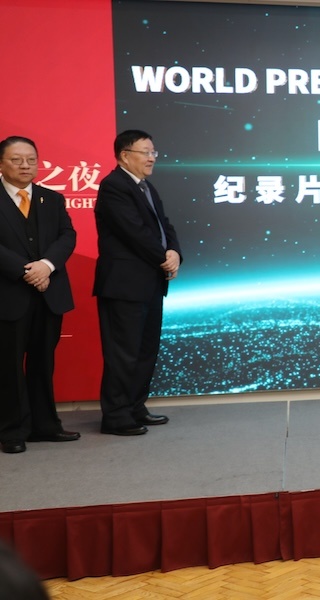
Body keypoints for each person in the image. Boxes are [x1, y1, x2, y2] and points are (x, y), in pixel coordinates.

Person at [94, 130, 181, 435]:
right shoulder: (114, 186)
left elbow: (164, 226)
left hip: (149, 282)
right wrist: (163, 256)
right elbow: (133, 232)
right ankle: (116, 416)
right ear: (124, 155)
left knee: (145, 350)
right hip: (124, 285)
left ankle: (134, 407)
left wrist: (175, 252)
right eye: (145, 152)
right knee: (123, 352)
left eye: (153, 152)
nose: (151, 158)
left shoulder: (146, 187)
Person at [0, 136, 80, 454]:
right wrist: (27, 271)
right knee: (8, 366)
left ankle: (45, 425)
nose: (25, 166)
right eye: (17, 159)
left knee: (43, 362)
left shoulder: (52, 198)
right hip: (9, 294)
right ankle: (11, 430)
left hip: (49, 293)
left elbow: (67, 236)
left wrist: (46, 266)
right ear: (1, 164)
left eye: (31, 160)